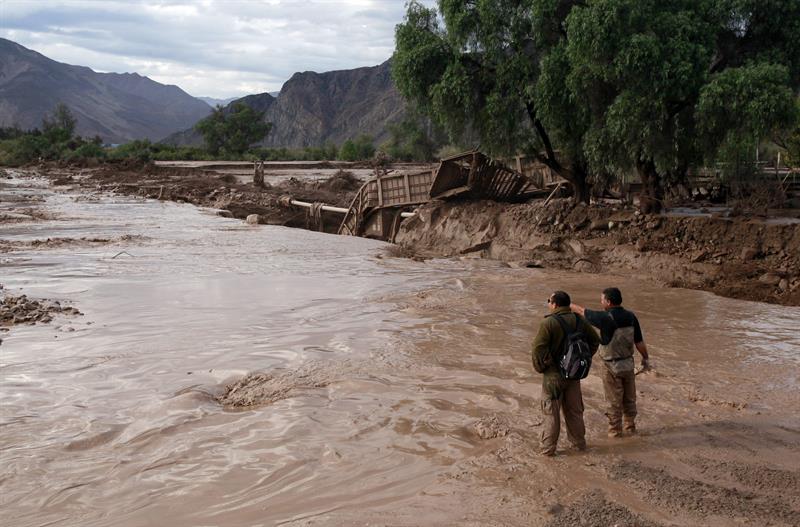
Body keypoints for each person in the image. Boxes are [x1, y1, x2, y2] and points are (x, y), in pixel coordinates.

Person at [570, 287, 650, 438]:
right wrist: (645, 359)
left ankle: (615, 433)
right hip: (628, 364)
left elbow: (581, 311)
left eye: (602, 299)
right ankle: (630, 428)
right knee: (629, 398)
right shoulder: (631, 317)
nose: (601, 302)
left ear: (608, 302)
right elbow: (639, 342)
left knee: (613, 401)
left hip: (610, 366)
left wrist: (568, 305)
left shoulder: (605, 317)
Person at [532, 290, 600, 456]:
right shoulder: (579, 320)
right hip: (574, 375)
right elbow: (595, 340)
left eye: (549, 300)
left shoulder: (548, 323)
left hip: (553, 377)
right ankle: (579, 446)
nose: (548, 303)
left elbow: (537, 348)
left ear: (554, 304)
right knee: (575, 412)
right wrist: (581, 360)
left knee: (551, 414)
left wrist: (541, 367)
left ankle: (547, 451)